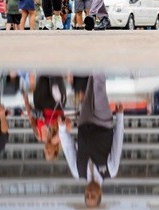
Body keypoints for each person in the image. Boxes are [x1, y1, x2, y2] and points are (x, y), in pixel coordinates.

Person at [59, 74, 124, 208]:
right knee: (99, 88)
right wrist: (120, 117)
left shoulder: (77, 172)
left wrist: (61, 128)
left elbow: (68, 147)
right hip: (103, 123)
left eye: (87, 195)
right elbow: (118, 143)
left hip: (84, 122)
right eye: (92, 196)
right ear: (100, 193)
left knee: (90, 86)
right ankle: (99, 60)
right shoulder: (111, 171)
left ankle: (94, 63)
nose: (89, 193)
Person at [23, 74, 67, 161]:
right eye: (49, 152)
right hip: (57, 103)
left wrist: (26, 102)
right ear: (56, 150)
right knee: (55, 74)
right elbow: (67, 123)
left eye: (45, 152)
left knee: (42, 74)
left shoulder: (39, 136)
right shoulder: (61, 137)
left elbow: (31, 118)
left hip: (40, 102)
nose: (46, 150)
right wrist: (56, 136)